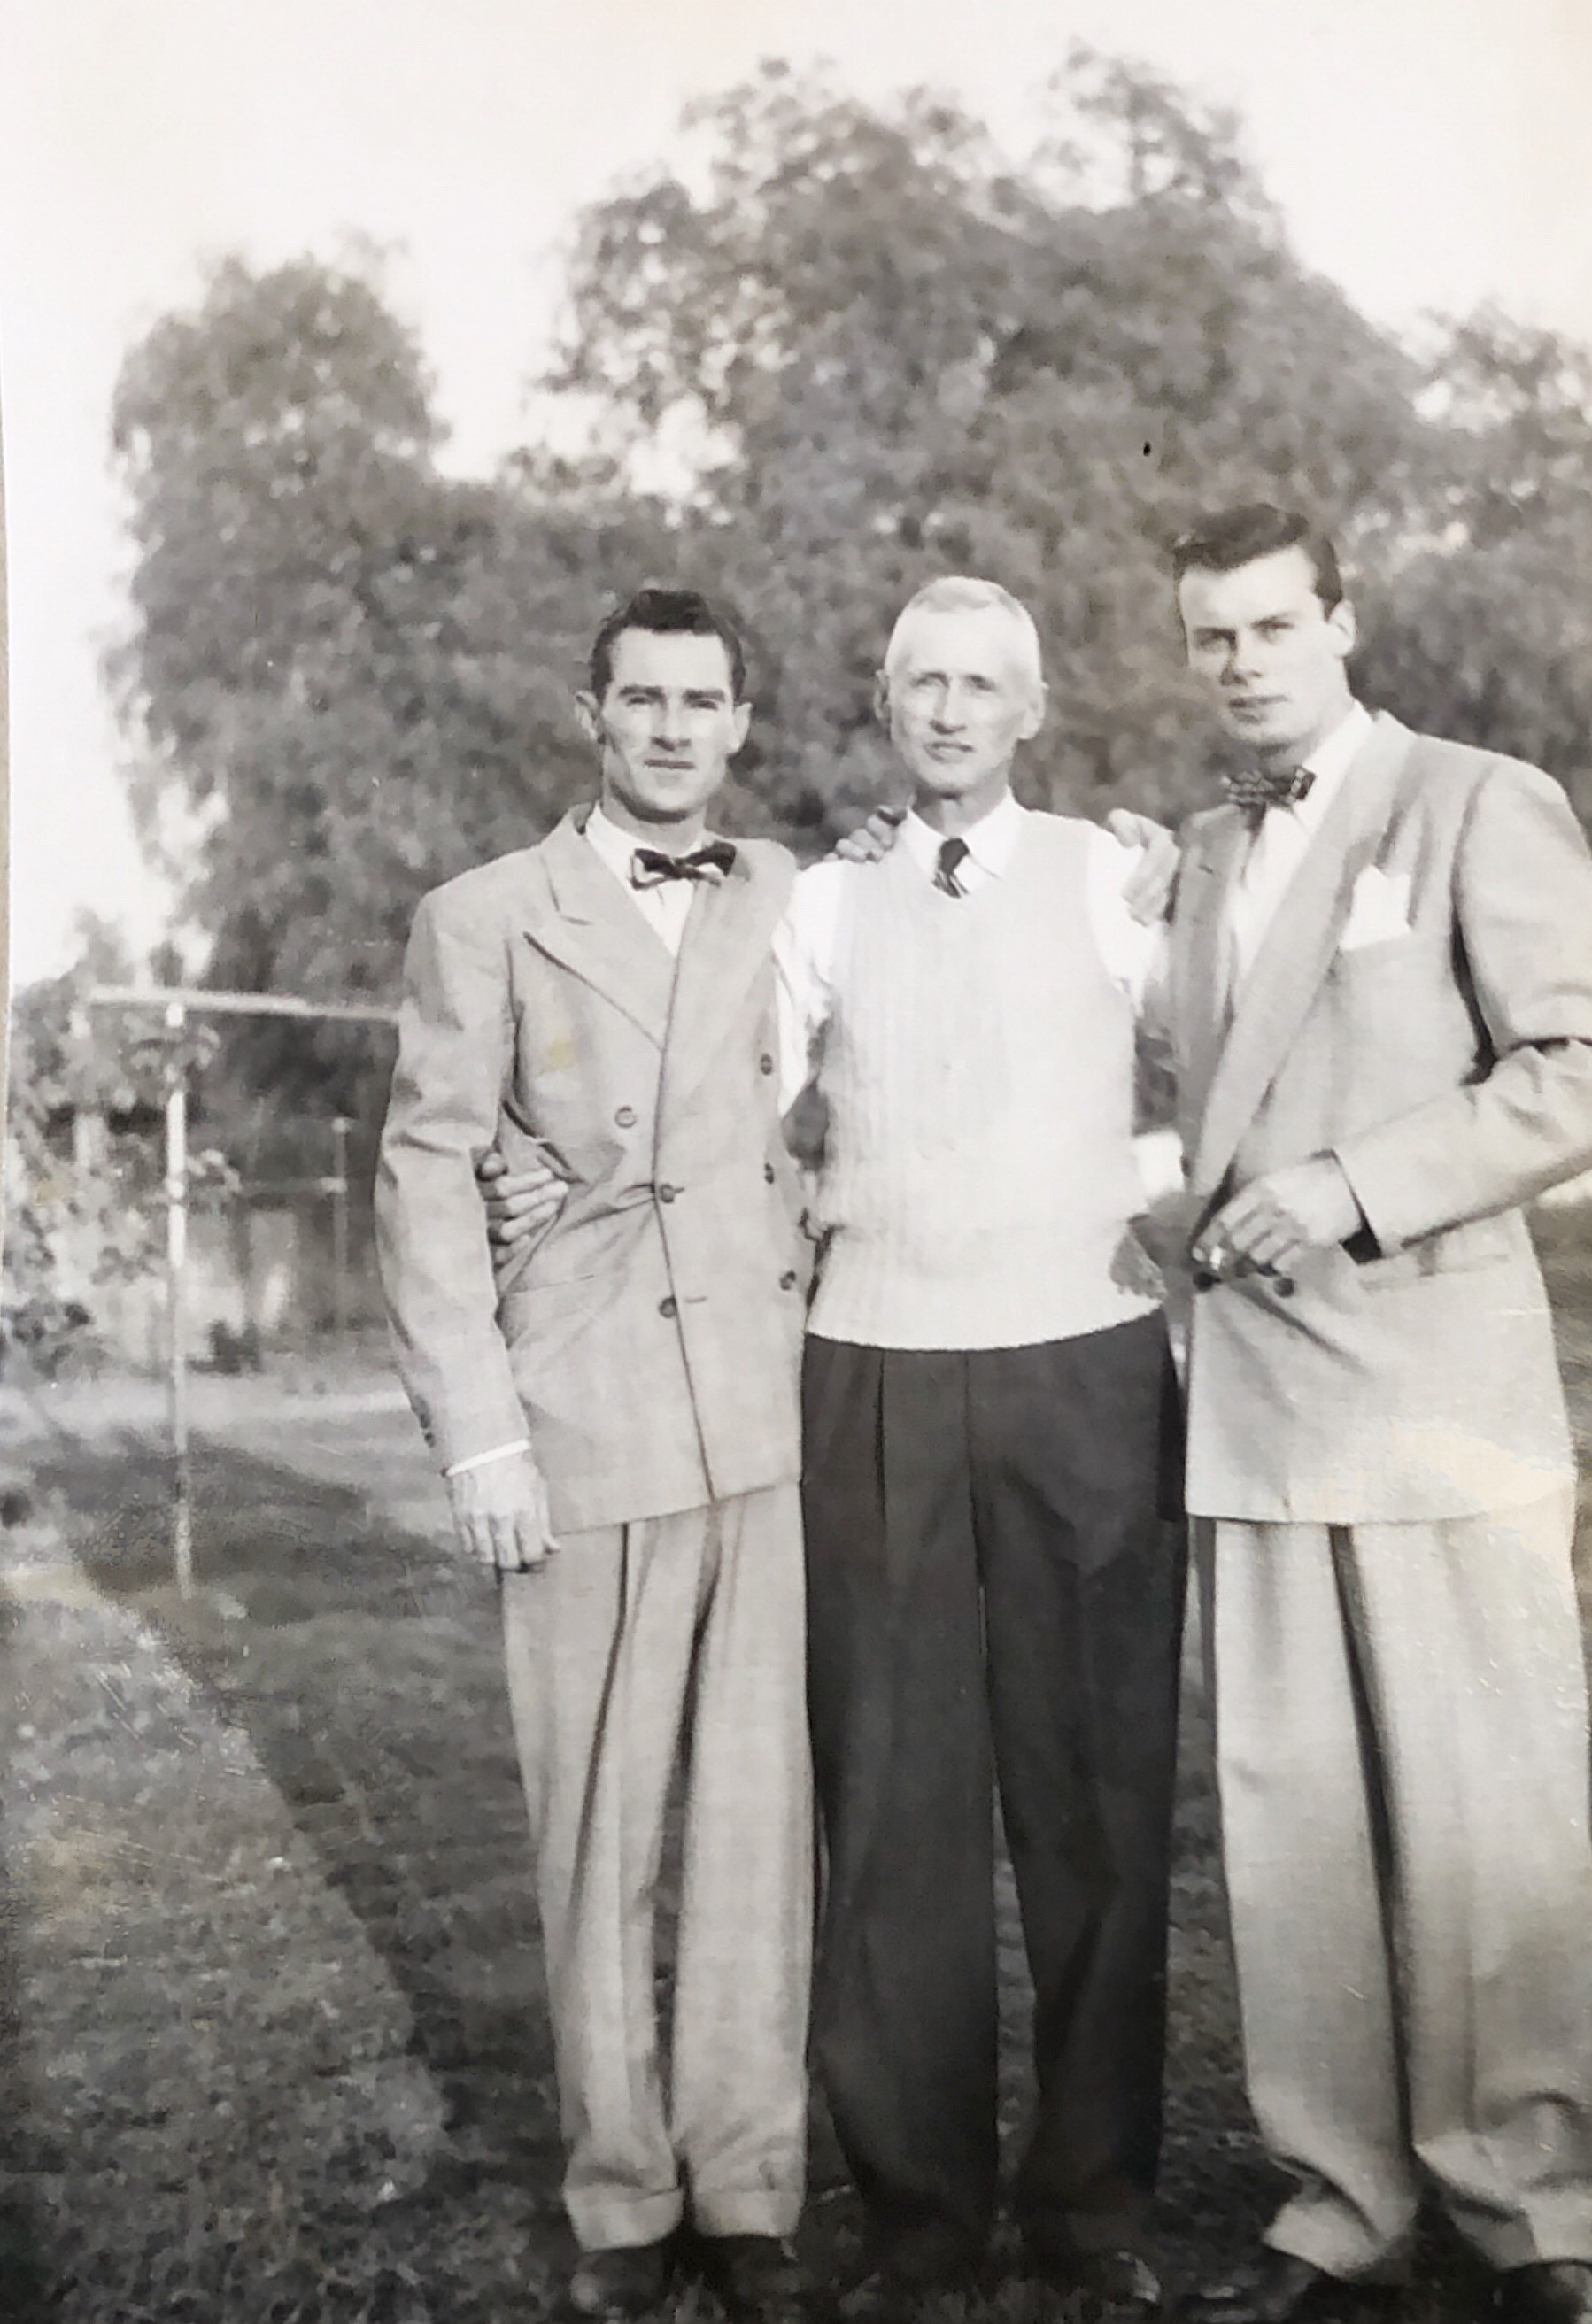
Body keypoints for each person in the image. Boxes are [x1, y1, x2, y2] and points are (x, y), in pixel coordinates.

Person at [1162, 504, 1592, 2324]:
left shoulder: (1474, 800)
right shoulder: (1185, 853)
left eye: (1271, 625)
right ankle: (1336, 2186)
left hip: (1436, 1399)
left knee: (1490, 1816)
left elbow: (1570, 1066)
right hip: (1254, 1409)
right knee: (1292, 1823)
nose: (1243, 661)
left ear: (1339, 619)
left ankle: (1528, 2193)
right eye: (1210, 637)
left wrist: (1350, 1184)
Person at [375, 587, 815, 2324]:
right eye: (640, 699)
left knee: (758, 1824)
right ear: (588, 714)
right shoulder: (482, 916)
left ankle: (753, 2186)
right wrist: (479, 1432)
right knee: (598, 1824)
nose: (671, 729)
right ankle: (623, 2198)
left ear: (740, 723)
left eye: (702, 701)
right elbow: (425, 1174)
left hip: (760, 1413)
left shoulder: (789, 892)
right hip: (578, 1415)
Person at [778, 578, 1186, 2320]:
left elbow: (1229, 1054)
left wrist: (1163, 1192)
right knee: (891, 1802)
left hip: (1080, 1363)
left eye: (979, 685)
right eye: (919, 682)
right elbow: (719, 1104)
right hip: (870, 1362)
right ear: (886, 708)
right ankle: (918, 2215)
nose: (947, 710)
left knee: (1090, 1795)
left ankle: (1089, 2203)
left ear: (1029, 711)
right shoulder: (814, 898)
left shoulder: (1116, 878)